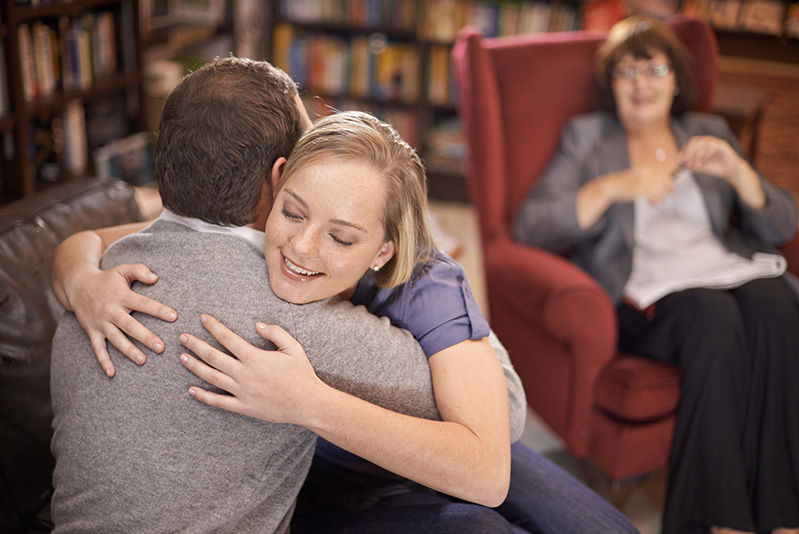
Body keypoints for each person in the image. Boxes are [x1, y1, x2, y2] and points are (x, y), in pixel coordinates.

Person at [54, 109, 639, 532]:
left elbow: (489, 455)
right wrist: (82, 278)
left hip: (426, 412)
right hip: (323, 441)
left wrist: (309, 402)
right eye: (293, 212)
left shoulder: (426, 287)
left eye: (341, 238)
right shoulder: (260, 225)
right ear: (276, 186)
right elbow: (95, 238)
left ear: (382, 250)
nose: (303, 248)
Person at [49, 57, 451, 533]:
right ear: (282, 176)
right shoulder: (285, 312)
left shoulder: (96, 283)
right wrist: (439, 280)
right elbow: (490, 413)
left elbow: (99, 241)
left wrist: (74, 267)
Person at [512, 15, 799, 534]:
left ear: (675, 79)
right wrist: (613, 186)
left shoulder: (708, 131)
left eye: (653, 69)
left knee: (778, 302)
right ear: (611, 85)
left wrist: (739, 171)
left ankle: (785, 518)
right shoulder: (589, 138)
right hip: (642, 296)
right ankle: (718, 523)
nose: (641, 83)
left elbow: (782, 225)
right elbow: (532, 225)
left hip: (720, 265)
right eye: (626, 73)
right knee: (712, 316)